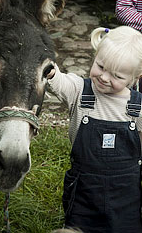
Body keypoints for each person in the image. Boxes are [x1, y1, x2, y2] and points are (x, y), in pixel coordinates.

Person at [47, 25, 142, 233]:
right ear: (95, 55)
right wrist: (51, 72)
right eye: (100, 66)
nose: (104, 77)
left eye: (117, 76)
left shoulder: (137, 107)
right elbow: (60, 83)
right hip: (84, 193)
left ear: (135, 78)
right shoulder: (80, 92)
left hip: (126, 197)